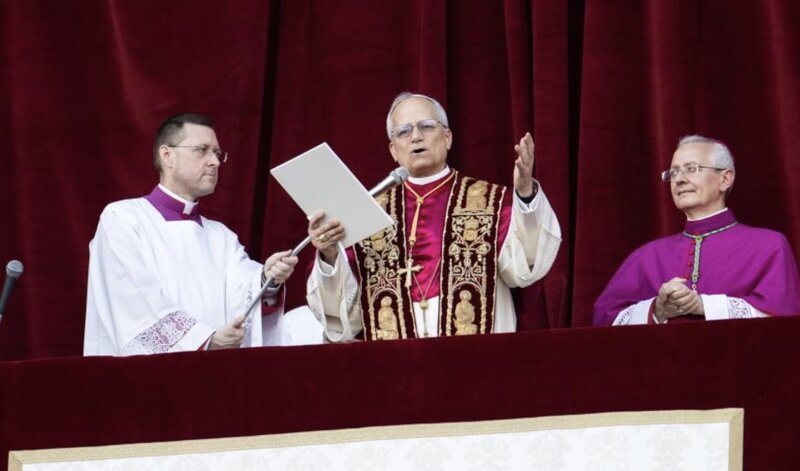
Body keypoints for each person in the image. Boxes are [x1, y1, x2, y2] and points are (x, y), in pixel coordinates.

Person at [306, 92, 562, 341]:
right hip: (395, 364)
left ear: (447, 138)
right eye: (403, 132)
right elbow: (344, 315)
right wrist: (329, 255)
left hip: (475, 361)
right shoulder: (368, 212)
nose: (416, 137)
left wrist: (525, 194)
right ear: (393, 149)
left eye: (427, 126)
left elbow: (525, 266)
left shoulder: (491, 202)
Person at [84, 113, 299, 355]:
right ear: (167, 155)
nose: (215, 162)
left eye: (217, 153)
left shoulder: (221, 237)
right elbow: (133, 300)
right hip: (148, 372)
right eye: (201, 150)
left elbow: (242, 293)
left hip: (213, 371)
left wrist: (267, 279)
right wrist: (205, 340)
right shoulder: (123, 218)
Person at [594, 135, 800, 326]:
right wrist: (657, 310)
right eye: (673, 172)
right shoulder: (646, 256)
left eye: (691, 168)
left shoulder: (769, 246)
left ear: (725, 179)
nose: (679, 179)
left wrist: (705, 306)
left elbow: (784, 319)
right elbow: (604, 320)